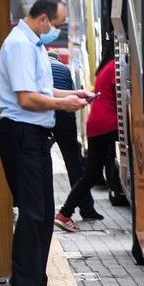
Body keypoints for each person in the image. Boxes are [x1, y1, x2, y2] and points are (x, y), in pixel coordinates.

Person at [0, 0, 88, 286]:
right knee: (34, 213)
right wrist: (64, 106)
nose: (56, 32)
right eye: (57, 25)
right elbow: (26, 99)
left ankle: (35, 284)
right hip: (21, 133)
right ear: (44, 19)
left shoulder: (31, 44)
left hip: (32, 136)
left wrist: (73, 95)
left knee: (43, 212)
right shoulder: (21, 45)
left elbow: (43, 92)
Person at [54, 40, 116, 231]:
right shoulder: (116, 67)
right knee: (83, 168)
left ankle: (67, 212)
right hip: (107, 123)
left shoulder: (106, 67)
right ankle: (68, 212)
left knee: (91, 173)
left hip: (97, 123)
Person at [47, 51, 101, 222]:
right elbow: (70, 91)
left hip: (45, 111)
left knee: (42, 161)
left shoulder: (40, 67)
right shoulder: (64, 69)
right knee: (73, 162)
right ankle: (87, 208)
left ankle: (46, 209)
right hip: (64, 114)